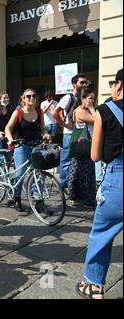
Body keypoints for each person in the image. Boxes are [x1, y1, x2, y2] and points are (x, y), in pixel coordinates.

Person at [76, 68, 123, 299]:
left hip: (117, 182)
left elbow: (95, 156)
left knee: (101, 234)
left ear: (120, 86)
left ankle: (94, 286)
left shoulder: (105, 111)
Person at [5, 88, 49, 211]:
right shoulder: (18, 112)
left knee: (38, 172)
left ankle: (38, 200)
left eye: (34, 96)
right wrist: (10, 139)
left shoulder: (39, 111)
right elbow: (8, 128)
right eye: (28, 96)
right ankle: (17, 198)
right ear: (23, 98)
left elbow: (43, 127)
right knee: (20, 173)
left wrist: (46, 133)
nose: (31, 98)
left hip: (36, 145)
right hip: (21, 146)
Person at [52, 73, 89, 192]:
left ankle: (72, 185)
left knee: (77, 161)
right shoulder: (69, 97)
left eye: (85, 82)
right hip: (69, 133)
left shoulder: (84, 97)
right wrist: (64, 124)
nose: (84, 84)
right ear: (74, 84)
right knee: (67, 160)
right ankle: (64, 186)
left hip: (80, 133)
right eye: (81, 82)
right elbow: (55, 112)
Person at [67, 87, 96, 207]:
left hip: (82, 146)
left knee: (78, 172)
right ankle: (87, 199)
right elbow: (97, 120)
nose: (92, 101)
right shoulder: (80, 111)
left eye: (94, 99)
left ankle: (76, 196)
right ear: (83, 99)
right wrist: (91, 108)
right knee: (86, 173)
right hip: (84, 146)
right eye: (90, 99)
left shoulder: (80, 109)